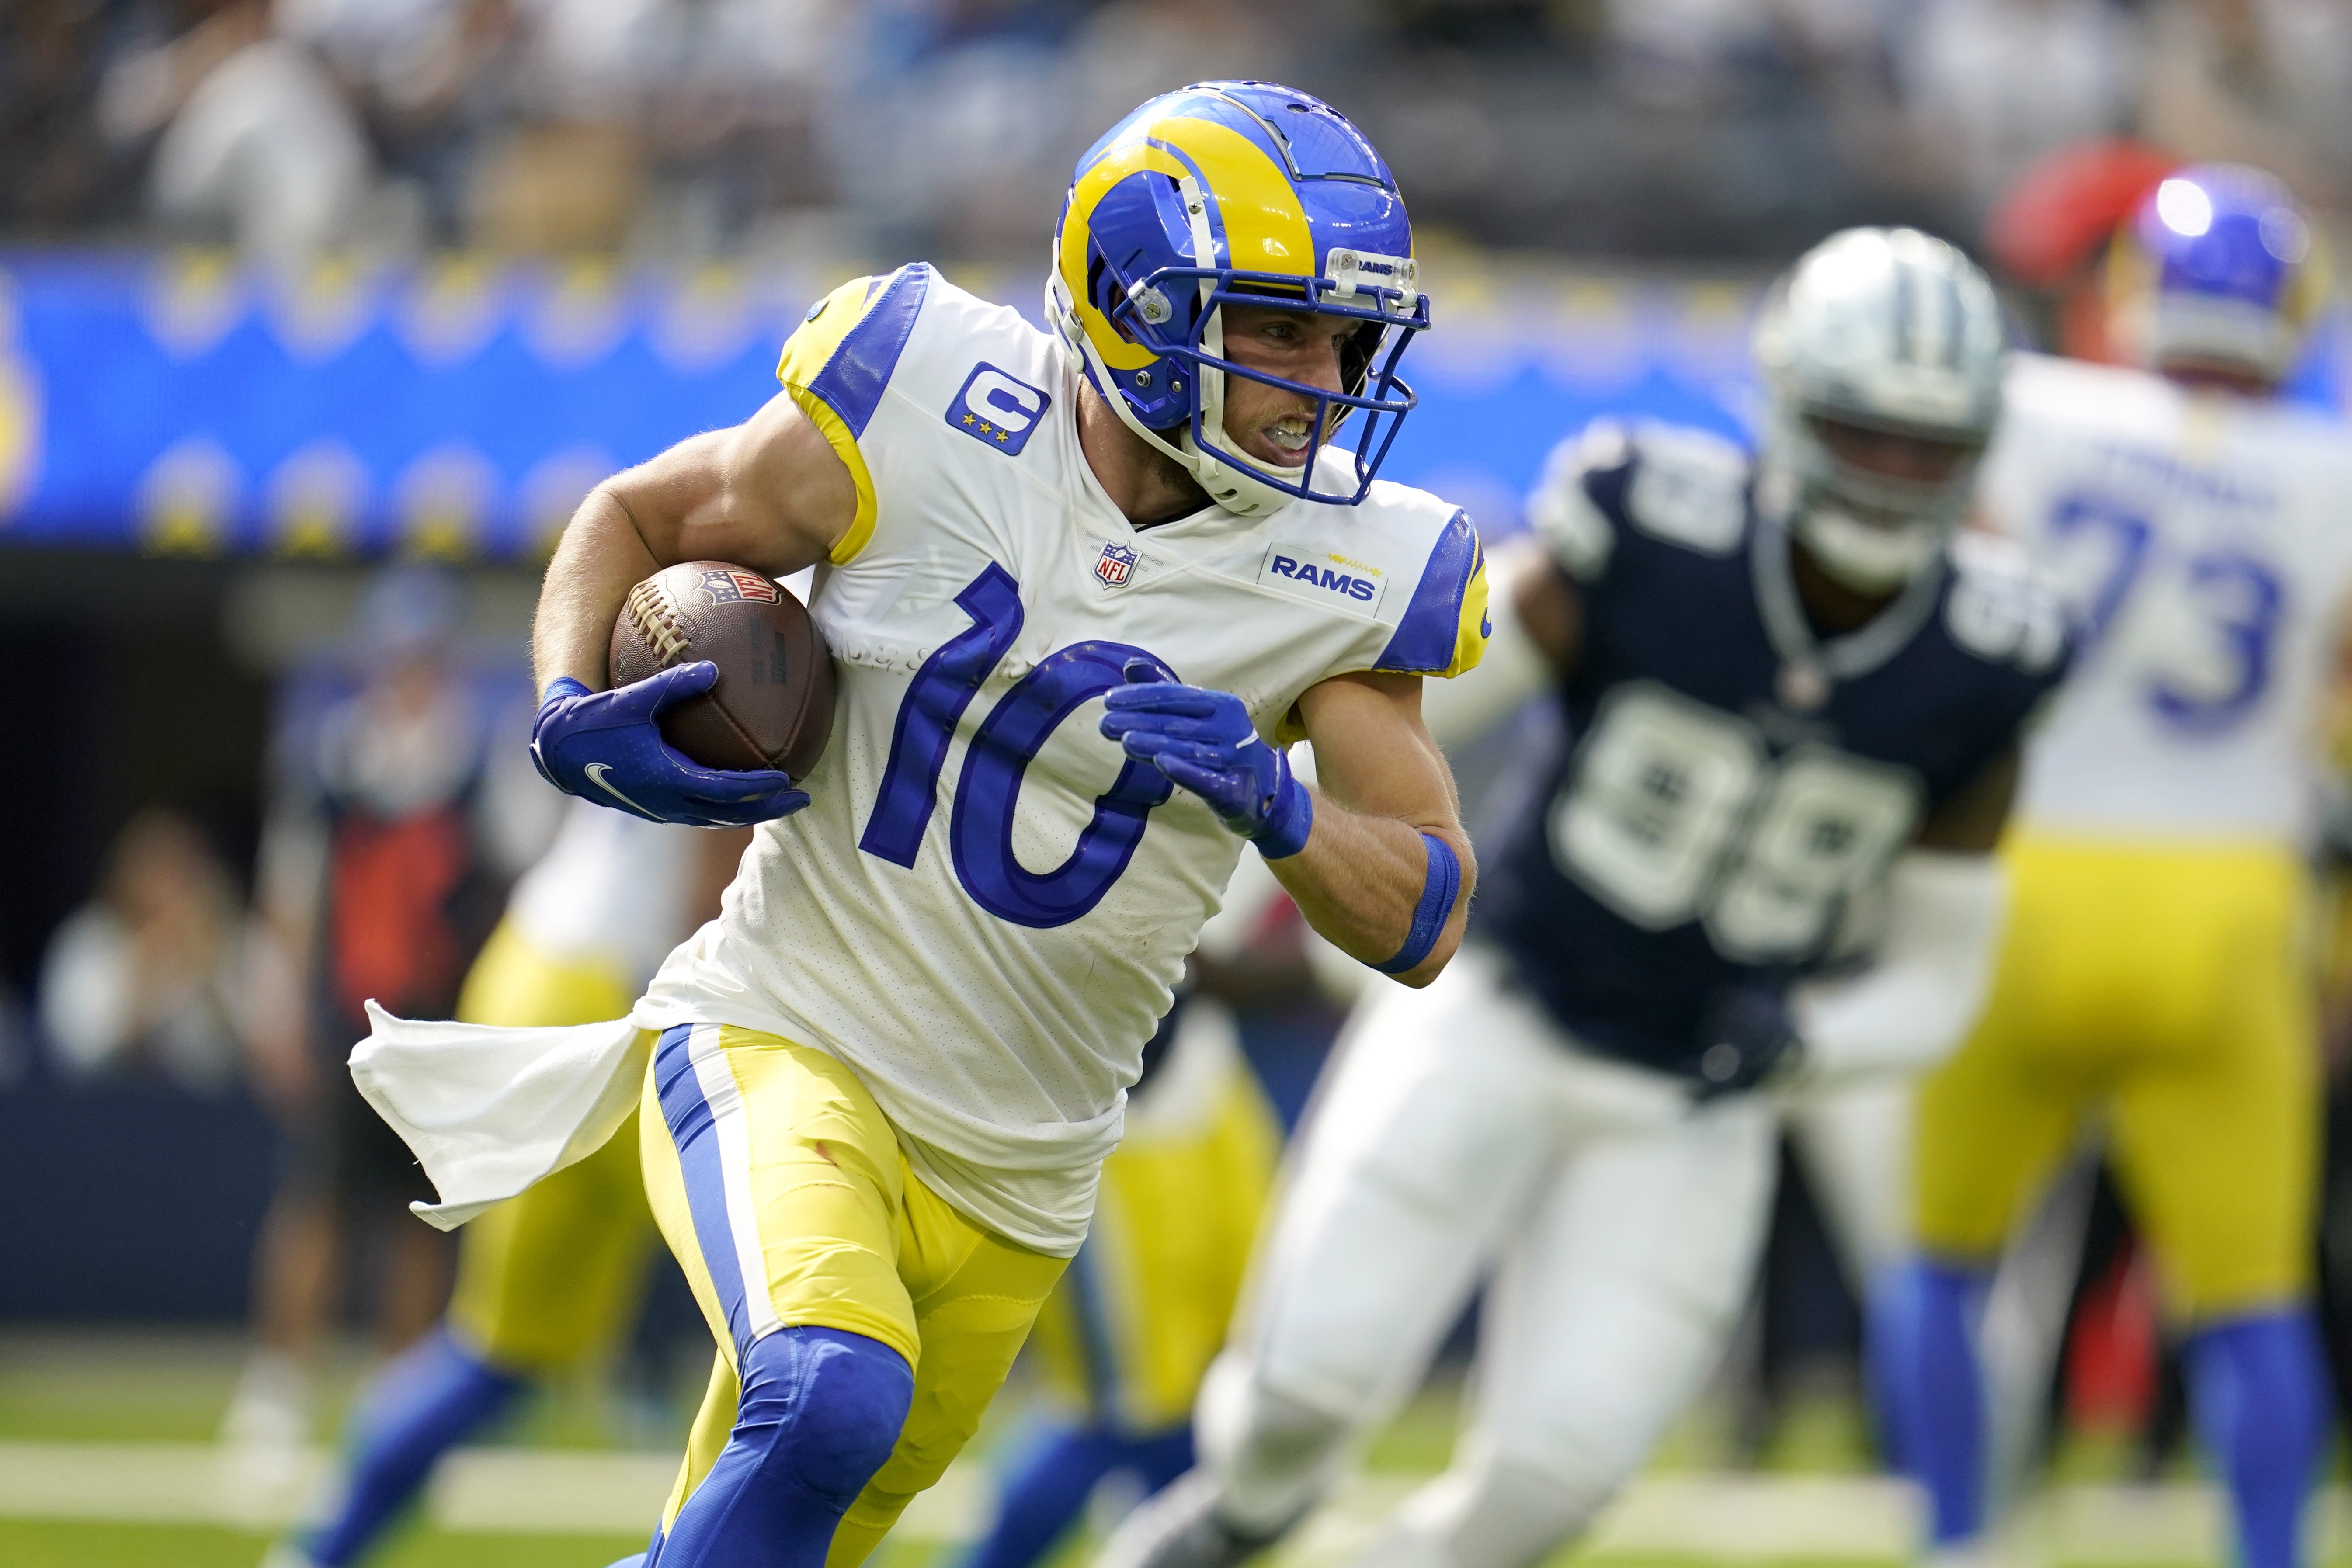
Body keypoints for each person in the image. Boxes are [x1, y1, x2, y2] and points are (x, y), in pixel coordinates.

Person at [353, 80, 1489, 1568]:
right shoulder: (928, 394)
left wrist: (1280, 805)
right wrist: (569, 699)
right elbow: (635, 515)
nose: (1323, 377)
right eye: (1277, 326)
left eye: (1343, 337)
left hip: (1020, 1173)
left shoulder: (1348, 566)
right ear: (1137, 305)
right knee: (825, 1388)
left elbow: (1428, 910)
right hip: (788, 1033)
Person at [1093, 226, 2066, 1568]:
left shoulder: (1985, 653)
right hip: (1500, 997)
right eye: (1864, 429)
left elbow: (1940, 973)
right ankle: (1229, 1524)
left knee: (1552, 1478)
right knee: (1297, 1395)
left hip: (1693, 1090)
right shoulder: (1651, 529)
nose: (1894, 471)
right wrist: (1269, 881)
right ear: (1790, 405)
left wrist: (1805, 1043)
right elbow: (1410, 712)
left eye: (1927, 442)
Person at [1880, 163, 2345, 1568]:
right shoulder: (2332, 474)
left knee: (1936, 1260)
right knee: (2251, 1296)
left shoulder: (2030, 410)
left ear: (2138, 294)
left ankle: (1954, 1539)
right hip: (2226, 898)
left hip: (2022, 875)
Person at [263, 801, 747, 1568]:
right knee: (795, 1330)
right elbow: (712, 893)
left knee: (504, 1356)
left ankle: (318, 1552)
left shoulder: (682, 683)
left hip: (541, 963)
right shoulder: (768, 697)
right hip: (604, 998)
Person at [226, 565, 547, 1462]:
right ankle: (278, 1391)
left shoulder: (479, 761)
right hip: (345, 1014)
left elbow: (514, 881)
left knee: (421, 1214)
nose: (409, 677)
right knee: (317, 1201)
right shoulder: (329, 762)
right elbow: (292, 896)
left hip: (434, 1020)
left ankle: (398, 1401)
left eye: (424, 661)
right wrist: (278, 1007)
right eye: (397, 660)